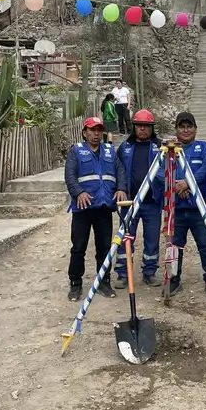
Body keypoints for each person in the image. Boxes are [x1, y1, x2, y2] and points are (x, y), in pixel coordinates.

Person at [64, 116, 128, 301]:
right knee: (78, 247)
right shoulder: (76, 151)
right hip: (83, 208)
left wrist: (122, 188)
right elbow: (70, 176)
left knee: (104, 248)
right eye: (92, 130)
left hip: (103, 207)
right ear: (85, 132)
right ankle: (75, 284)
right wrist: (79, 193)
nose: (96, 133)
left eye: (99, 130)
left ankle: (103, 281)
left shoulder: (109, 151)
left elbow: (120, 170)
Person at [169, 111, 206, 298]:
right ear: (176, 130)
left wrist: (187, 182)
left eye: (189, 126)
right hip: (176, 209)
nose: (186, 130)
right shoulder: (170, 150)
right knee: (174, 246)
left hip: (198, 209)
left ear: (196, 129)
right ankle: (174, 280)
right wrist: (177, 185)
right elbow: (159, 172)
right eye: (182, 126)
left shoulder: (204, 148)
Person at [115, 109, 164, 288]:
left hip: (152, 202)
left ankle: (149, 272)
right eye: (139, 126)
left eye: (146, 126)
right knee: (125, 239)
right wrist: (120, 189)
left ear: (151, 128)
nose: (142, 129)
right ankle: (122, 272)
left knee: (152, 239)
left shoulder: (160, 147)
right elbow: (118, 171)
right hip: (130, 203)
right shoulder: (125, 147)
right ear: (134, 127)